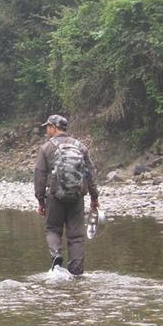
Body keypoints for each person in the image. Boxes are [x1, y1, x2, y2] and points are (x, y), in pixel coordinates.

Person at [34, 114, 99, 275]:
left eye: (47, 127)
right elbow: (90, 173)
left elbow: (39, 176)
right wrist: (94, 197)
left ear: (53, 128)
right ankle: (76, 272)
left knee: (53, 230)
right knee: (76, 236)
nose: (46, 131)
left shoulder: (46, 148)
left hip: (54, 197)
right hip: (77, 197)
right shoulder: (80, 147)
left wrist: (40, 200)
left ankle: (56, 256)